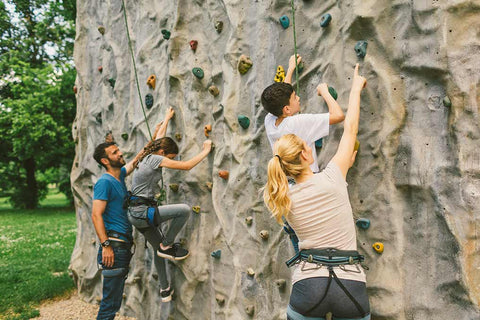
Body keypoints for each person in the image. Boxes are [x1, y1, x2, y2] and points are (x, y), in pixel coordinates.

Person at [263, 64, 369, 320]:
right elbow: (350, 127)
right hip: (350, 283)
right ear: (306, 153)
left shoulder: (281, 197)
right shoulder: (334, 176)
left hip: (308, 285)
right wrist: (355, 89)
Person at [126, 107, 212, 303]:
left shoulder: (146, 155)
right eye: (169, 157)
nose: (169, 161)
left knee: (158, 251)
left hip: (135, 214)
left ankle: (165, 289)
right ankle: (167, 243)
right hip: (143, 212)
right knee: (183, 210)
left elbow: (159, 140)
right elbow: (187, 166)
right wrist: (205, 150)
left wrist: (166, 118)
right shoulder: (156, 158)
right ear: (163, 153)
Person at [91, 133, 151, 320]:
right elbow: (96, 215)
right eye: (114, 152)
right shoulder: (104, 182)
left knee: (114, 302)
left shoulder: (120, 176)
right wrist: (106, 246)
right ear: (105, 160)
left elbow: (137, 159)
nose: (119, 153)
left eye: (118, 150)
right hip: (114, 248)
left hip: (122, 247)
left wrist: (159, 130)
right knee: (110, 304)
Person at [261, 54, 345, 173]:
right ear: (286, 109)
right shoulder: (299, 122)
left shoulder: (269, 120)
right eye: (295, 97)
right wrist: (325, 92)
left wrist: (290, 69)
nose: (298, 98)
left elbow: (284, 98)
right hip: (309, 176)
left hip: (288, 178)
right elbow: (338, 116)